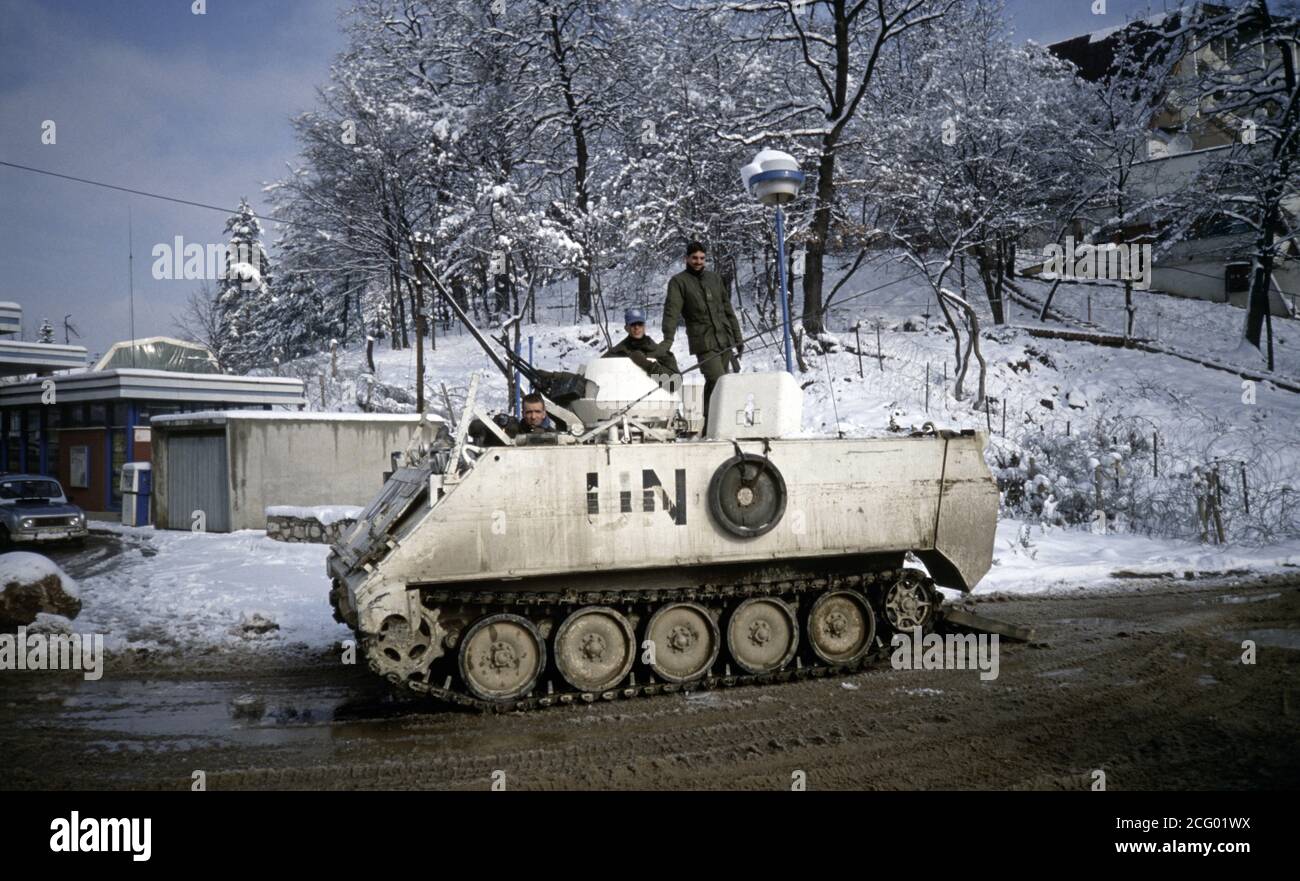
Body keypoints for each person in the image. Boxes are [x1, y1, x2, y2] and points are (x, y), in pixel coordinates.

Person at [657, 241, 743, 427]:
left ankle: (707, 424)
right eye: (694, 258)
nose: (698, 261)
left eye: (702, 258)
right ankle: (717, 423)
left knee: (717, 384)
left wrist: (738, 337)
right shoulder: (679, 282)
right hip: (703, 342)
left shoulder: (714, 279)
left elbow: (728, 310)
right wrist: (667, 340)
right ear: (686, 258)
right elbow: (671, 312)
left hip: (724, 339)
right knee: (718, 380)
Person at [604, 307, 680, 377]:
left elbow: (674, 385)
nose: (636, 327)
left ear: (644, 326)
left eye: (640, 324)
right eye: (632, 324)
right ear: (626, 328)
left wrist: (646, 365)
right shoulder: (615, 353)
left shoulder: (659, 352)